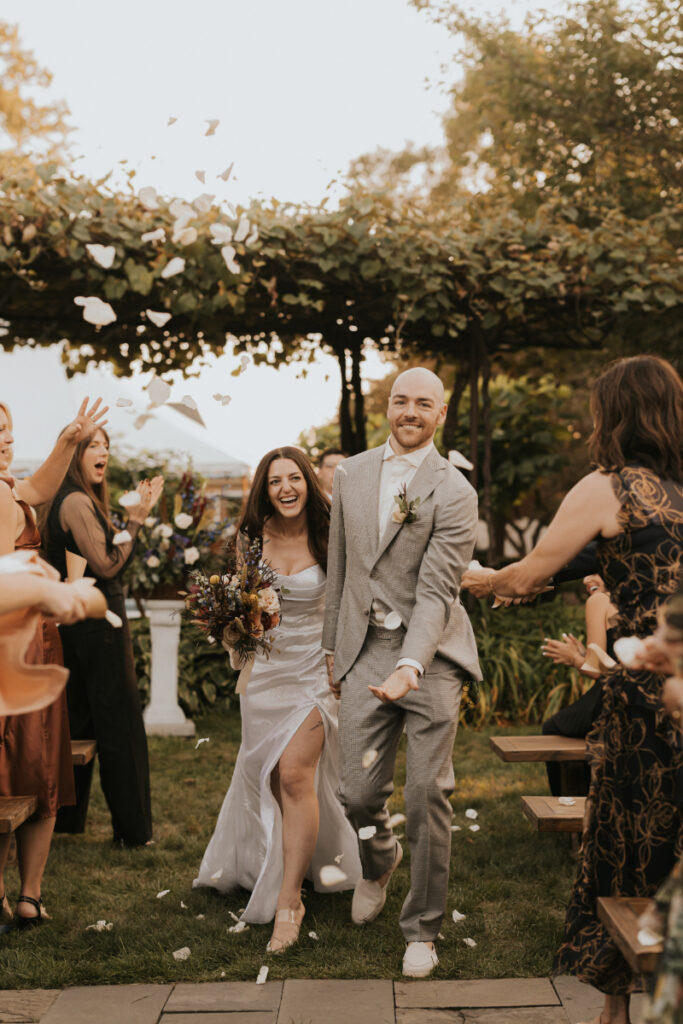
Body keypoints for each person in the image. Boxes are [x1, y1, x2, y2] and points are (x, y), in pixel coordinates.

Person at [462, 355, 683, 1024]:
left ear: (612, 413)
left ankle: (614, 1010)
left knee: (622, 850)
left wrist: (473, 578)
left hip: (641, 707)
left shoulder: (610, 486)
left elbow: (529, 571)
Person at [323, 367, 481, 979]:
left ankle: (422, 929)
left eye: (424, 403)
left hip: (433, 658)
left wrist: (412, 664)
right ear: (388, 408)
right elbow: (340, 568)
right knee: (356, 792)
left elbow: (439, 591)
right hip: (364, 651)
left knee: (425, 794)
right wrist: (335, 651)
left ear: (441, 415)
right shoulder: (352, 473)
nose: (410, 411)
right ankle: (379, 859)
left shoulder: (456, 491)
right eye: (401, 401)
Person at [194, 446, 361, 953]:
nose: (285, 488)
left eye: (294, 478)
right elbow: (246, 606)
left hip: (315, 670)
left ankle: (290, 900)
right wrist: (231, 625)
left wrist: (343, 661)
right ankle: (302, 861)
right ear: (263, 490)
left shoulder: (333, 532)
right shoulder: (250, 538)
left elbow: (353, 600)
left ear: (309, 482)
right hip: (264, 674)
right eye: (274, 481)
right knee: (270, 776)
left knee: (294, 774)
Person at [0, 396, 107, 926]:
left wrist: (68, 440)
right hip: (21, 645)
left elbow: (35, 489)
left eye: (8, 431)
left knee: (13, 766)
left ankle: (11, 893)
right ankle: (28, 894)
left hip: (25, 641)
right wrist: (59, 594)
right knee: (33, 762)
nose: (5, 441)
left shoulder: (6, 488)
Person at [44, 427, 162, 848]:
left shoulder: (80, 500)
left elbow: (103, 554)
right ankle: (133, 832)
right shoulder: (75, 501)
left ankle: (65, 821)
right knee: (120, 726)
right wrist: (137, 519)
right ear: (73, 454)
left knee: (79, 721)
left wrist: (128, 516)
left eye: (106, 445)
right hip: (99, 626)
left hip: (81, 624)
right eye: (94, 445)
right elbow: (109, 565)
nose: (104, 452)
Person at [541, 575, 619, 796]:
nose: (586, 578)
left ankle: (573, 804)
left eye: (594, 569)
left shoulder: (600, 601)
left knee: (553, 728)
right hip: (653, 692)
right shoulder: (648, 597)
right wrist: (584, 654)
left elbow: (596, 670)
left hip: (611, 697)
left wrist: (573, 658)